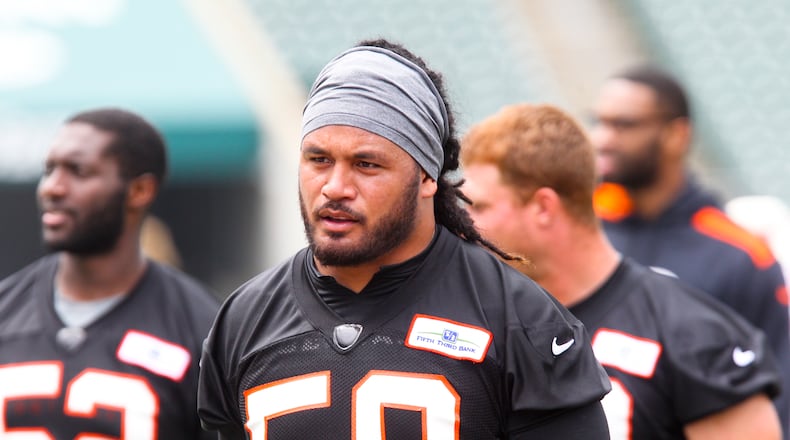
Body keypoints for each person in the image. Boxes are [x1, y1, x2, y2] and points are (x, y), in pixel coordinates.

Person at [197, 39, 611, 439]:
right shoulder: (244, 319)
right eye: (318, 159)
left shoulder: (518, 319)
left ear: (428, 175)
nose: (335, 186)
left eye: (367, 164)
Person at [460, 102, 783, 439]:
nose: (464, 225)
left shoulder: (693, 336)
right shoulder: (481, 322)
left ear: (544, 207)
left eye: (479, 206)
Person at [589, 65, 790, 432]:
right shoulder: (585, 227)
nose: (602, 139)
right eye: (599, 122)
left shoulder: (740, 256)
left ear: (676, 135)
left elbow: (779, 396)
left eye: (624, 125)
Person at [0, 108, 219, 439]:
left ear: (139, 191)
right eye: (49, 170)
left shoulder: (204, 327)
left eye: (78, 171)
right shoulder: (6, 309)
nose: (52, 188)